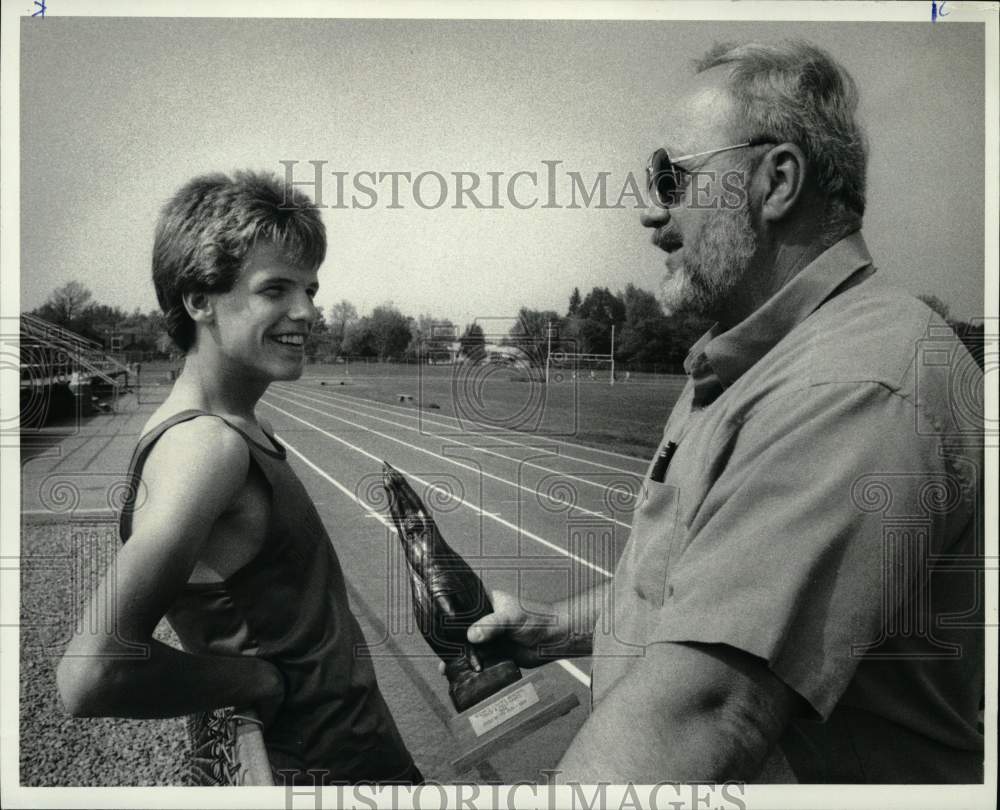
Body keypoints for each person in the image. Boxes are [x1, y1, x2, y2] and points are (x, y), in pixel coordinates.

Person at [467, 41, 984, 784]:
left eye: (671, 176)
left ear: (776, 182)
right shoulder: (753, 359)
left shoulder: (849, 388)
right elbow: (695, 591)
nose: (651, 210)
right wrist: (554, 630)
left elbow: (708, 713)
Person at [56, 171, 421, 785]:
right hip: (324, 771)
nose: (307, 311)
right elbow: (92, 671)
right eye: (274, 289)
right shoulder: (205, 448)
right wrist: (255, 679)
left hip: (354, 758)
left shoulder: (231, 428)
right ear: (199, 300)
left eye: (309, 288)